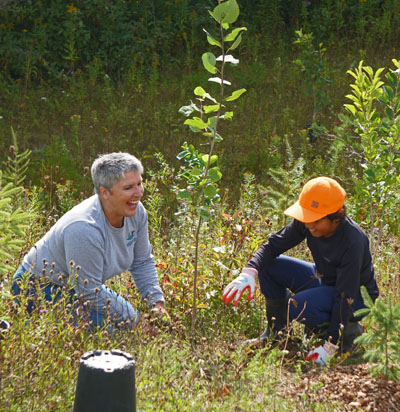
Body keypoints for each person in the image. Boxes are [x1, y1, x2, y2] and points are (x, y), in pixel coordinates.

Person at [222, 176, 379, 365]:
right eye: (307, 218)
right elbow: (273, 246)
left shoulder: (352, 241)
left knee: (296, 304)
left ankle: (347, 337)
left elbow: (346, 295)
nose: (309, 225)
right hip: (326, 281)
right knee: (269, 266)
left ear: (337, 217)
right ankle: (276, 334)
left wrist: (331, 346)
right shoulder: (308, 223)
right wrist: (249, 272)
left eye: (316, 220)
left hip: (356, 298)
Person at [12, 152, 169, 328]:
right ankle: (24, 326)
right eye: (128, 188)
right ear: (104, 192)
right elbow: (87, 291)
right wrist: (137, 322)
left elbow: (141, 261)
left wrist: (156, 304)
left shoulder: (136, 212)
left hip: (81, 287)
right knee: (109, 330)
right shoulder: (84, 227)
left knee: (125, 321)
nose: (139, 193)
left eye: (139, 184)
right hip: (38, 287)